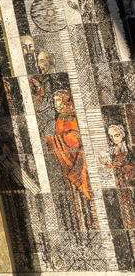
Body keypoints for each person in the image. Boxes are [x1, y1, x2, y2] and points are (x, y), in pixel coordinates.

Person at [45, 89, 97, 231]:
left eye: (58, 99)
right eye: (55, 100)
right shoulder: (63, 116)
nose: (56, 103)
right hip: (69, 159)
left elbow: (73, 137)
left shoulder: (68, 115)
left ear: (65, 100)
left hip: (76, 159)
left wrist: (54, 142)